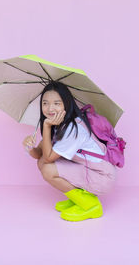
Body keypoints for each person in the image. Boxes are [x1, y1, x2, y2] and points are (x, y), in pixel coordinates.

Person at [22, 81, 116, 221]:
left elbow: (48, 159)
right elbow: (39, 154)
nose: (49, 108)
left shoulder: (73, 128)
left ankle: (91, 205)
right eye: (45, 103)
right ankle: (78, 198)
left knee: (48, 168)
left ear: (66, 104)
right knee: (42, 163)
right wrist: (29, 147)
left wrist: (46, 126)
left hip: (101, 176)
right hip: (86, 168)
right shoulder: (55, 124)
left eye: (57, 103)